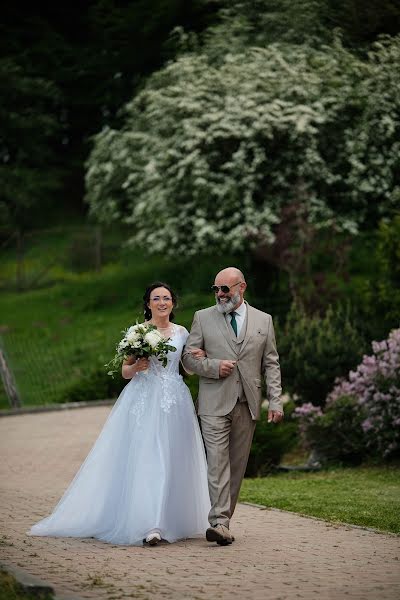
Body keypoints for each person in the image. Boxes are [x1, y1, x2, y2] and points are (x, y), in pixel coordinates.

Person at [29, 282, 210, 546]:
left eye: (167, 298)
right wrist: (137, 365)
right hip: (144, 399)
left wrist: (199, 356)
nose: (162, 302)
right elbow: (125, 372)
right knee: (150, 457)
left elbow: (187, 369)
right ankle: (151, 524)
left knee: (173, 457)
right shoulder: (138, 332)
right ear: (147, 304)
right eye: (156, 298)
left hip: (174, 400)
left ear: (173, 303)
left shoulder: (182, 332)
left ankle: (170, 519)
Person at [182, 267, 283, 546]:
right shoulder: (203, 317)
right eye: (215, 289)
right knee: (216, 463)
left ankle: (224, 521)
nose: (220, 294)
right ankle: (219, 522)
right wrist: (214, 366)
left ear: (242, 287)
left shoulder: (264, 320)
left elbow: (270, 363)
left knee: (236, 467)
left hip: (247, 404)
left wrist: (275, 400)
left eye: (225, 289)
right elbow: (188, 360)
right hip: (213, 404)